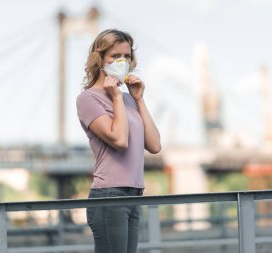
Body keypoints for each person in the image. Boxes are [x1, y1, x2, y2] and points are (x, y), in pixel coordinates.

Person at [76, 29, 161, 253]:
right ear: (100, 58)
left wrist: (139, 99)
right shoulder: (88, 99)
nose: (122, 61)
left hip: (134, 194)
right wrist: (115, 97)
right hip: (109, 195)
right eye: (115, 56)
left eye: (127, 56)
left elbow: (154, 145)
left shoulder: (127, 99)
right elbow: (119, 140)